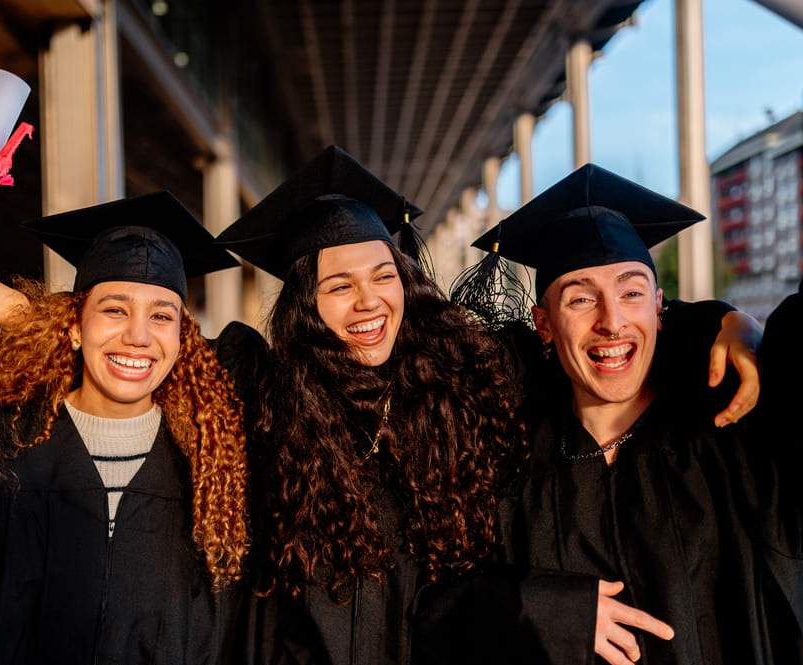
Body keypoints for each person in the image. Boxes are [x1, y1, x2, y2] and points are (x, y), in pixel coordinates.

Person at [215, 146, 683, 665]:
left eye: (384, 276)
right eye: (340, 286)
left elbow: (598, 335)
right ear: (305, 306)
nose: (369, 301)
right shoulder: (266, 410)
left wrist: (720, 323)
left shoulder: (460, 391)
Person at [0, 192, 251, 664]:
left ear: (183, 339)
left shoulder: (217, 467)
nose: (138, 335)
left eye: (161, 316)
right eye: (114, 310)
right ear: (73, 328)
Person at [455, 163, 803, 665]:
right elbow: (433, 610)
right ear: (543, 324)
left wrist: (727, 320)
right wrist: (543, 608)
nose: (611, 321)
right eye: (581, 299)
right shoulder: (505, 469)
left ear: (659, 307)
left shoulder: (740, 445)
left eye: (631, 292)